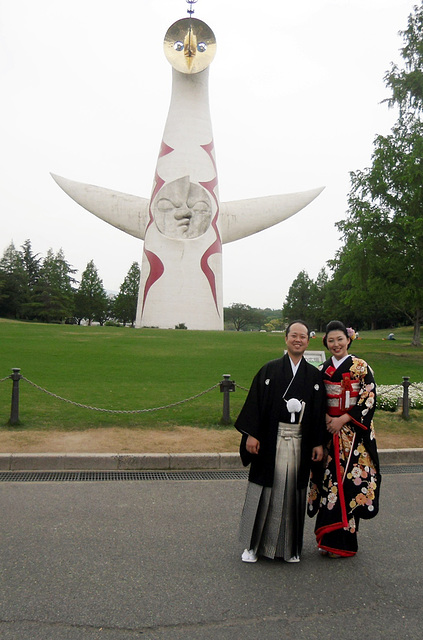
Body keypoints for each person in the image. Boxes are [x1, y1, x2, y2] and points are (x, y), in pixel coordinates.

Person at [235, 320, 325, 563]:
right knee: (263, 490)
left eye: (303, 336)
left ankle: (290, 549)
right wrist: (252, 434)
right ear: (286, 339)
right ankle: (253, 547)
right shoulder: (269, 370)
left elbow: (317, 414)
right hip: (269, 441)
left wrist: (318, 443)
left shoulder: (314, 377)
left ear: (308, 341)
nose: (298, 340)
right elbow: (255, 403)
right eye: (293, 335)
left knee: (293, 493)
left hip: (300, 443)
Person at [308, 320, 381, 558]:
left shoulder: (361, 367)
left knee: (349, 486)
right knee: (329, 484)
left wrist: (345, 418)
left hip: (354, 435)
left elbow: (368, 397)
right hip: (330, 433)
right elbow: (317, 402)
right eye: (331, 340)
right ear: (326, 343)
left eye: (340, 339)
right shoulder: (323, 370)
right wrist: (328, 417)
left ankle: (345, 544)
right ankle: (327, 539)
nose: (336, 344)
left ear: (349, 340)